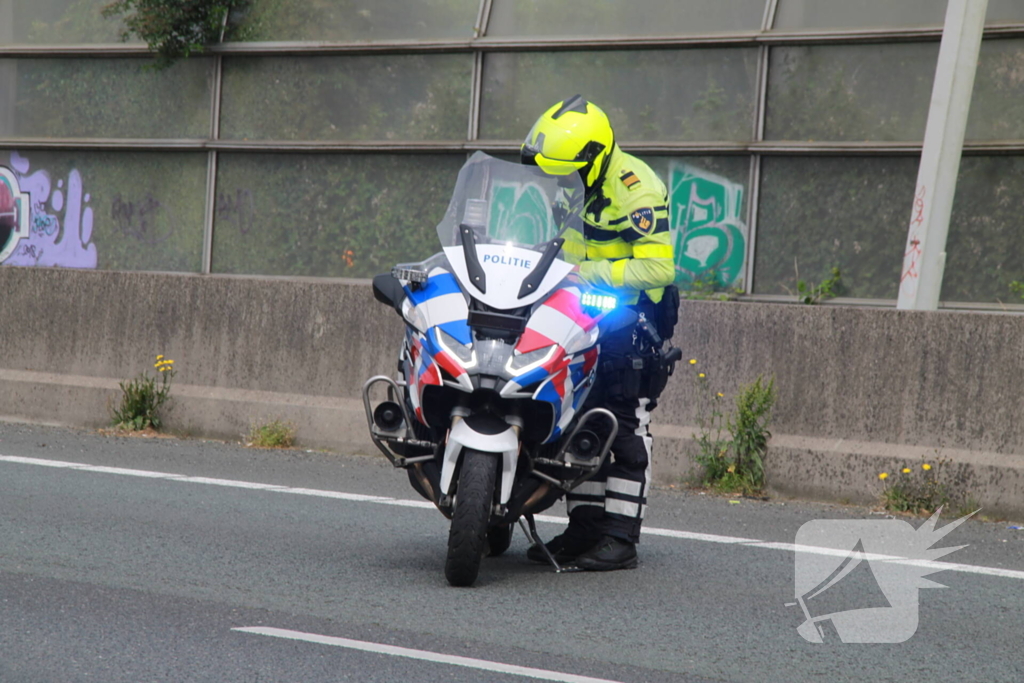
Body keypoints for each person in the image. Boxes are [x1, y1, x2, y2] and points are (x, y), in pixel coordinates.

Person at [521, 95, 678, 571]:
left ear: (593, 158)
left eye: (565, 167)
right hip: (582, 314)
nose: (557, 177)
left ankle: (620, 536)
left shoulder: (637, 190)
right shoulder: (575, 184)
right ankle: (585, 528)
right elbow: (564, 245)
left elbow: (659, 266)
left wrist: (592, 273)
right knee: (578, 420)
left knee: (623, 424)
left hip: (634, 320)